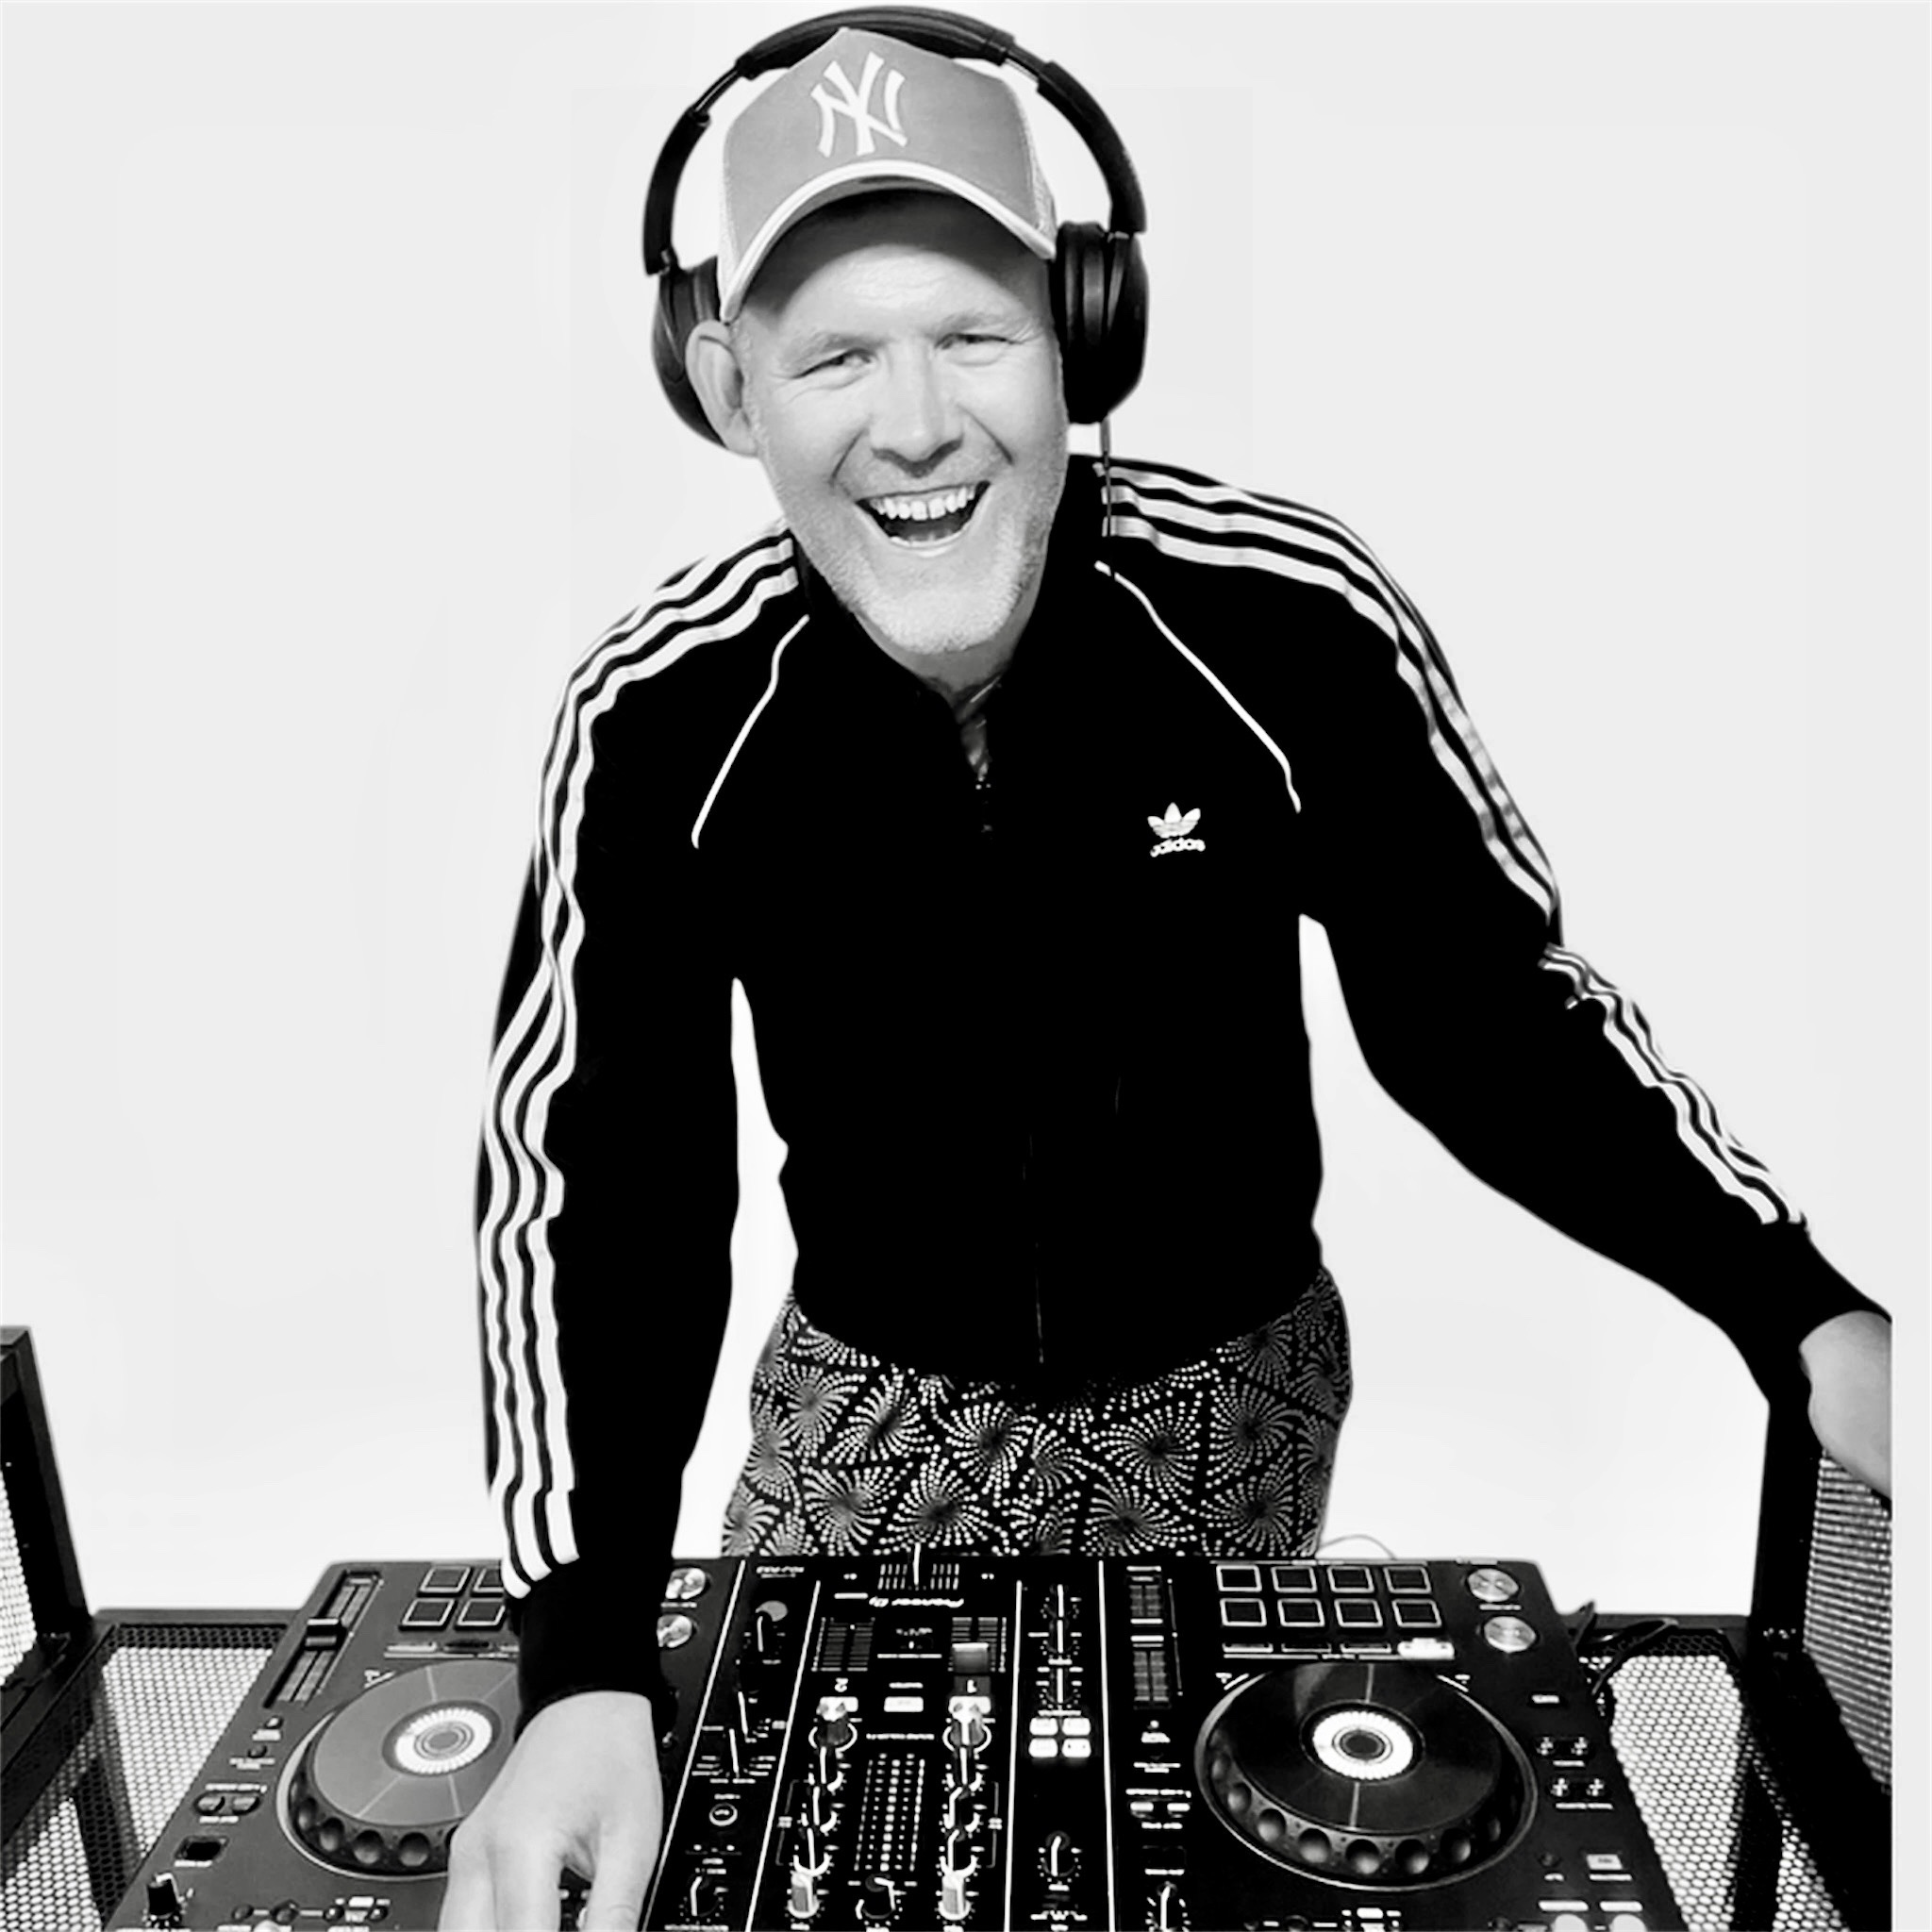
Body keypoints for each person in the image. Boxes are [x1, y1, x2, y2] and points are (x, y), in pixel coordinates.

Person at [441, 18, 1892, 1930]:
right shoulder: (657, 717)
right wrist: (584, 1662)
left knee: (1196, 1868)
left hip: (1233, 1390)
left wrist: (1801, 1314)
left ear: (1084, 337)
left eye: (974, 336)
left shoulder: (1285, 619)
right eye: (835, 356)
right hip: (864, 1401)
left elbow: (1488, 1016)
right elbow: (597, 1184)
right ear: (726, 385)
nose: (915, 423)